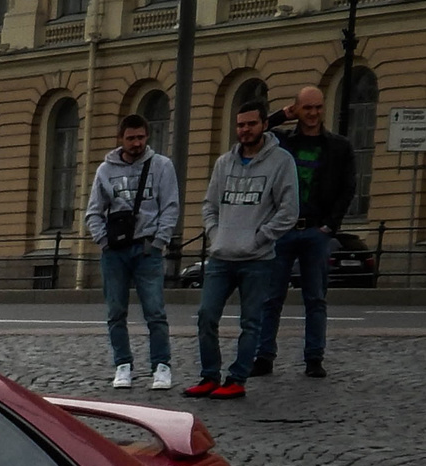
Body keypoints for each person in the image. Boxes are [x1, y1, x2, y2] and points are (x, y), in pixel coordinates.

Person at [185, 103, 298, 399]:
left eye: (250, 124)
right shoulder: (224, 163)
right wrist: (215, 234)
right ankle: (209, 375)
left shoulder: (281, 162)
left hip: (257, 259)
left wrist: (261, 237)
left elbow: (288, 211)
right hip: (221, 257)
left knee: (251, 322)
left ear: (263, 124)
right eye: (240, 125)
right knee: (206, 315)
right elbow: (209, 205)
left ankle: (237, 378)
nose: (245, 130)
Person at [256, 86, 354, 378]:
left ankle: (314, 358)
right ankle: (264, 357)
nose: (313, 114)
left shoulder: (339, 146)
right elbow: (255, 130)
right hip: (282, 230)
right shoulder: (281, 142)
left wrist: (329, 227)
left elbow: (348, 188)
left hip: (315, 231)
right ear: (296, 110)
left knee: (315, 298)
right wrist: (279, 116)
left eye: (318, 108)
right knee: (271, 298)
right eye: (306, 108)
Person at [87, 112, 181, 390]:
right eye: (131, 138)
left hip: (146, 248)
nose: (136, 143)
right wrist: (103, 241)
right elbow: (94, 211)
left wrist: (158, 243)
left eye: (141, 137)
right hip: (114, 251)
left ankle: (161, 366)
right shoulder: (105, 170)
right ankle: (122, 365)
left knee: (155, 312)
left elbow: (170, 207)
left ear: (147, 137)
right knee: (116, 312)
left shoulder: (162, 166)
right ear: (121, 139)